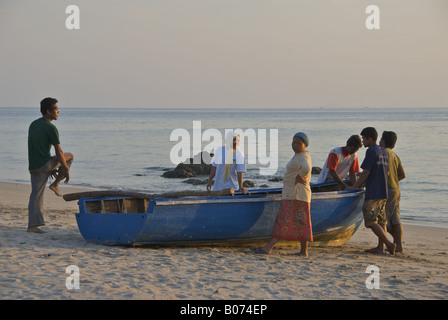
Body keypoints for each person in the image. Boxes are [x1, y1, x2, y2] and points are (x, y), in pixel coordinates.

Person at [252, 132, 313, 257]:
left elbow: (306, 168)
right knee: (301, 222)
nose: (294, 145)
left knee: (284, 221)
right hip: (296, 194)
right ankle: (303, 251)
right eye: (293, 142)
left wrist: (300, 177)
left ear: (305, 145)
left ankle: (268, 247)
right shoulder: (300, 155)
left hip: (296, 194)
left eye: (298, 143)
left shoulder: (303, 157)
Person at [27, 98, 73, 233]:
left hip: (34, 165)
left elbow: (38, 147)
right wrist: (65, 169)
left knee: (35, 195)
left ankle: (32, 226)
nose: (59, 112)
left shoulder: (33, 124)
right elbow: (59, 152)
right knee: (69, 156)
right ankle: (56, 184)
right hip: (44, 164)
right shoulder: (51, 127)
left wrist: (52, 166)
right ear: (48, 111)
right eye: (56, 109)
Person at [350, 127, 395, 255]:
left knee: (370, 221)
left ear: (370, 139)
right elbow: (386, 172)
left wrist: (356, 185)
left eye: (364, 139)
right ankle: (380, 247)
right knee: (381, 221)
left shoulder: (371, 151)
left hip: (374, 192)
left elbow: (365, 172)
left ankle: (389, 244)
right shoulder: (384, 152)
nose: (363, 141)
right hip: (383, 191)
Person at [380, 131, 406, 253]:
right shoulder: (395, 155)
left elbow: (382, 172)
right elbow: (402, 174)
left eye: (381, 139)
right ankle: (399, 245)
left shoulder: (384, 153)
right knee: (395, 219)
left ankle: (384, 244)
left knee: (382, 219)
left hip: (387, 190)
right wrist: (394, 180)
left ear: (383, 141)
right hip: (396, 189)